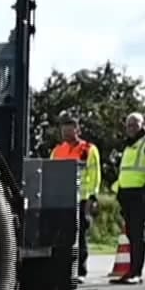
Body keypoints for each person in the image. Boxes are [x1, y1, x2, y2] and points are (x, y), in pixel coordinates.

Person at [113, 111, 145, 285]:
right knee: (130, 233)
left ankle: (136, 272)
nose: (131, 128)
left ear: (142, 125)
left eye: (134, 124)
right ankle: (130, 271)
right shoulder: (128, 145)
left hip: (140, 194)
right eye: (128, 125)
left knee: (137, 232)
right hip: (126, 194)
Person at [49, 112, 102, 280]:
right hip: (61, 199)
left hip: (82, 198)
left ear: (77, 129)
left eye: (69, 129)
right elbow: (51, 173)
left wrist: (93, 197)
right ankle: (63, 270)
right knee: (61, 236)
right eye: (63, 130)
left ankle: (80, 271)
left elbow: (95, 175)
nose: (66, 133)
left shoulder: (88, 150)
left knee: (80, 237)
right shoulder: (57, 150)